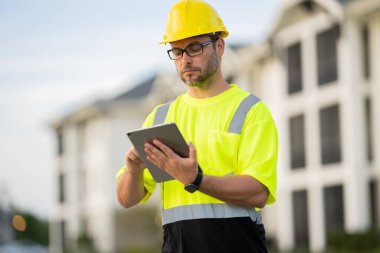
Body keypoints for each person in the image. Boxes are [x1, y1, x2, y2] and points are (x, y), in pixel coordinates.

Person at [116, 0, 278, 252]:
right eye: (177, 51)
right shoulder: (160, 117)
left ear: (220, 46)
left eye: (194, 48)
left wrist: (195, 179)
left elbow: (258, 192)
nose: (185, 59)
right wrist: (133, 171)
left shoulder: (250, 111)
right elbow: (126, 199)